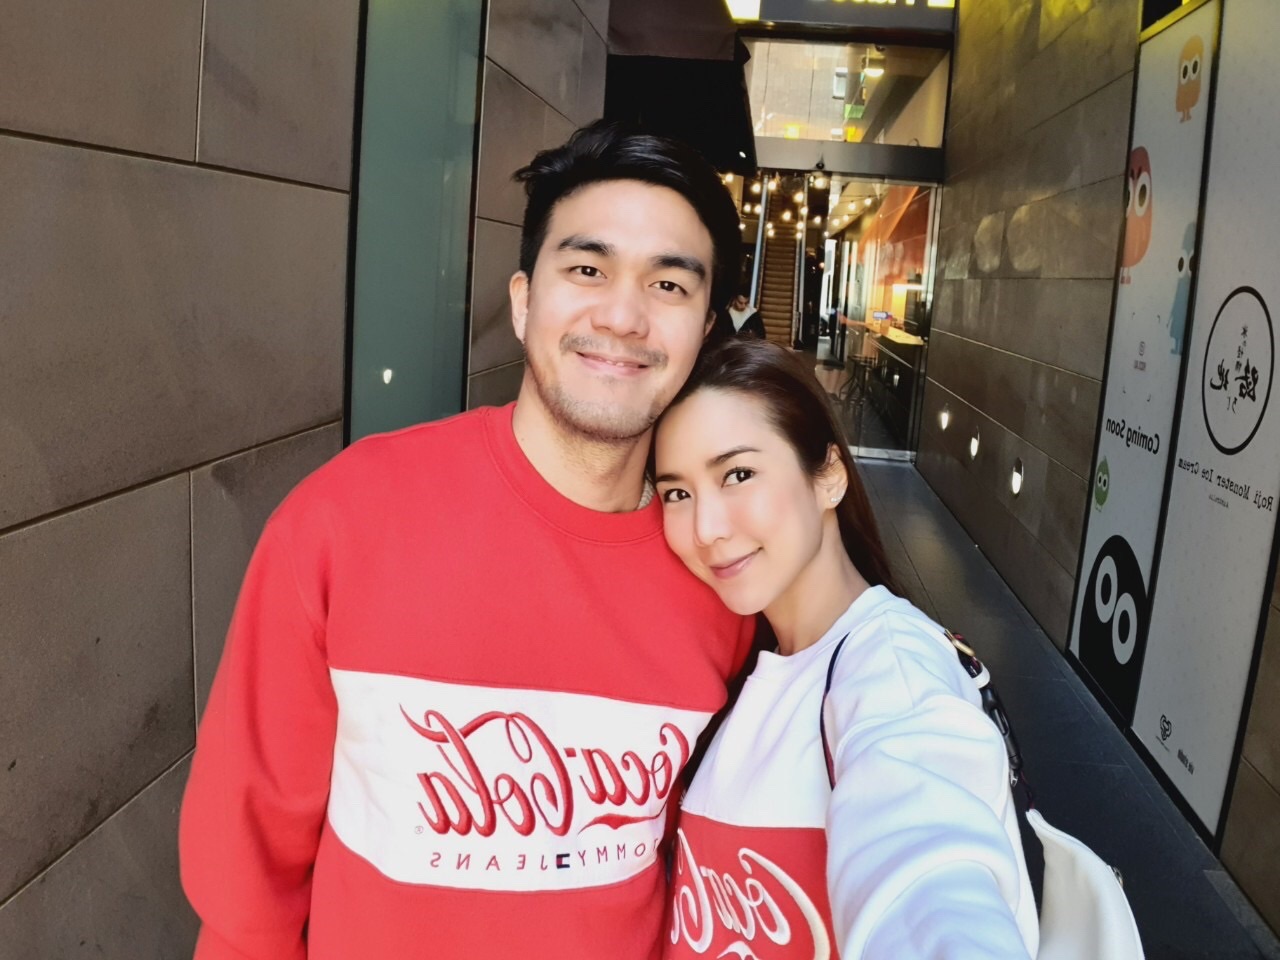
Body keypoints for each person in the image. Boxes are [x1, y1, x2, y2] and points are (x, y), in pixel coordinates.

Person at [179, 122, 756, 960]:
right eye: (587, 270)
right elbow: (246, 889)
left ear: (705, 329)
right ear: (523, 302)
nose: (622, 315)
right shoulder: (346, 518)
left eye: (669, 285)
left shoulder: (718, 569)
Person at [652, 338, 1038, 959]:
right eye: (677, 493)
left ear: (828, 476)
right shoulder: (761, 660)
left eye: (738, 475)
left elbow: (925, 872)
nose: (706, 528)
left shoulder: (891, 669)